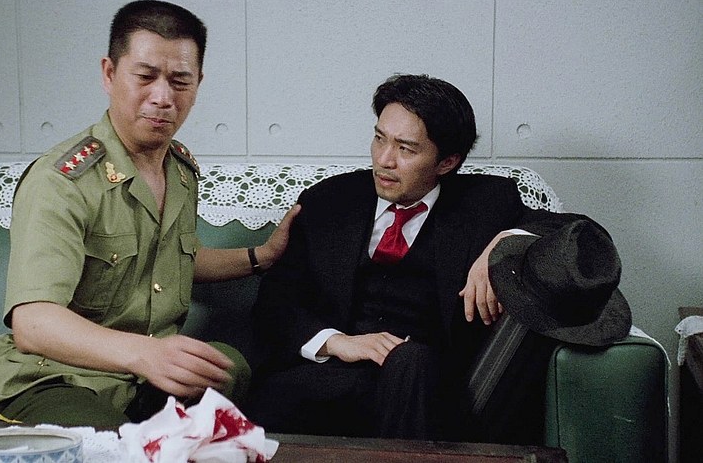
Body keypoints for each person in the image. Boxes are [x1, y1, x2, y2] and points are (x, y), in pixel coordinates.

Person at [0, 0, 298, 427]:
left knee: (227, 367)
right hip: (51, 378)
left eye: (180, 81)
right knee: (115, 447)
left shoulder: (180, 170)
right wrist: (146, 353)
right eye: (145, 77)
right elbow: (33, 323)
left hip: (136, 380)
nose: (163, 98)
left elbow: (174, 259)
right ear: (109, 73)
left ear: (198, 83)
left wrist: (261, 256)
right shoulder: (62, 181)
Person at [244, 74, 622, 441]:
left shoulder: (487, 203)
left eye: (406, 149)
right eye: (379, 138)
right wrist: (336, 341)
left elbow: (583, 235)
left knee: (412, 362)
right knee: (279, 397)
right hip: (332, 376)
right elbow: (275, 302)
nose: (384, 160)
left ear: (446, 162)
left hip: (428, 388)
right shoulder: (330, 200)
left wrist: (505, 242)